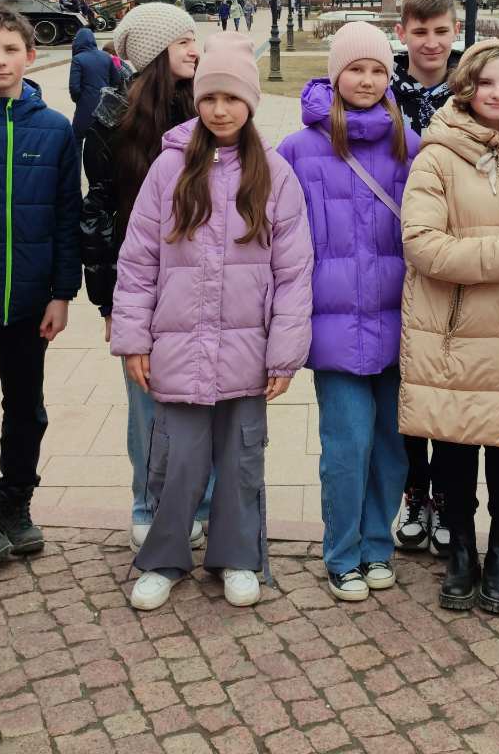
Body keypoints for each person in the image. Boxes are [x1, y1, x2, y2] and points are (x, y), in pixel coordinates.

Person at [114, 33, 313, 611]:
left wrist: (284, 352)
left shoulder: (274, 176)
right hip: (178, 347)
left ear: (249, 102)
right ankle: (164, 556)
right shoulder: (167, 170)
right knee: (175, 461)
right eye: (209, 98)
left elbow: (295, 272)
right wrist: (132, 337)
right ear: (196, 102)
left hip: (248, 353)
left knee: (241, 460)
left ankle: (237, 557)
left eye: (231, 98)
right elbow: (139, 260)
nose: (220, 110)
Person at [400, 40, 499, 616]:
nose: (497, 94)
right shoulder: (436, 157)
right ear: (467, 91)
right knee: (456, 450)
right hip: (456, 329)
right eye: (485, 84)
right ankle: (462, 551)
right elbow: (424, 247)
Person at [279, 23, 417, 601]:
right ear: (336, 75)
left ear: (389, 78)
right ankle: (342, 553)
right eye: (355, 69)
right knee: (346, 444)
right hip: (334, 326)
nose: (366, 79)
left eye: (377, 70)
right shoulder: (298, 149)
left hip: (398, 320)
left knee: (391, 446)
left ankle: (376, 544)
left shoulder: (409, 145)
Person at [0, 4, 82, 570]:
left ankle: (15, 503)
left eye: (10, 50)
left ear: (31, 56)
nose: (0, 61)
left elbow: (64, 214)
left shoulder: (53, 129)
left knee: (26, 407)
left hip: (29, 299)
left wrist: (61, 292)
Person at [79, 2, 212, 549]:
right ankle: (146, 499)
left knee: (202, 399)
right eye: (181, 40)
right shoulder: (114, 120)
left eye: (193, 38)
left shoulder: (209, 109)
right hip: (142, 282)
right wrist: (110, 302)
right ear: (155, 52)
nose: (194, 48)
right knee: (146, 403)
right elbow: (100, 211)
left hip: (200, 277)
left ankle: (200, 503)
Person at [389, 0, 461, 556]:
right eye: (421, 32)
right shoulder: (382, 94)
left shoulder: (471, 90)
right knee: (407, 387)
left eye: (441, 31)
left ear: (455, 31)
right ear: (402, 34)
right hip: (394, 254)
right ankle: (416, 490)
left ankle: (449, 497)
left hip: (454, 256)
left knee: (447, 383)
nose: (432, 42)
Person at [69, 26, 122, 142]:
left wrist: (78, 99)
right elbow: (117, 80)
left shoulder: (77, 59)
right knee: (102, 140)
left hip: (85, 107)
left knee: (76, 138)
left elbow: (74, 87)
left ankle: (77, 160)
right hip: (105, 106)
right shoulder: (106, 56)